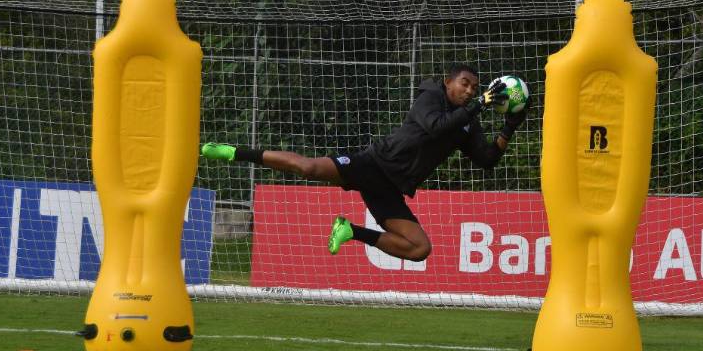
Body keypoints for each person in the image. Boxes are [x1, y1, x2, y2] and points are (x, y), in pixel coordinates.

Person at [201, 64, 528, 262]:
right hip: (373, 164)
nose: (470, 91)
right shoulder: (431, 97)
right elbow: (434, 126)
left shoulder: (467, 122)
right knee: (308, 168)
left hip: (391, 188)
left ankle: (350, 231)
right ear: (448, 83)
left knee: (419, 249)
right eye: (464, 84)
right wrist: (474, 109)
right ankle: (233, 151)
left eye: (474, 87)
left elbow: (487, 160)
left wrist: (510, 125)